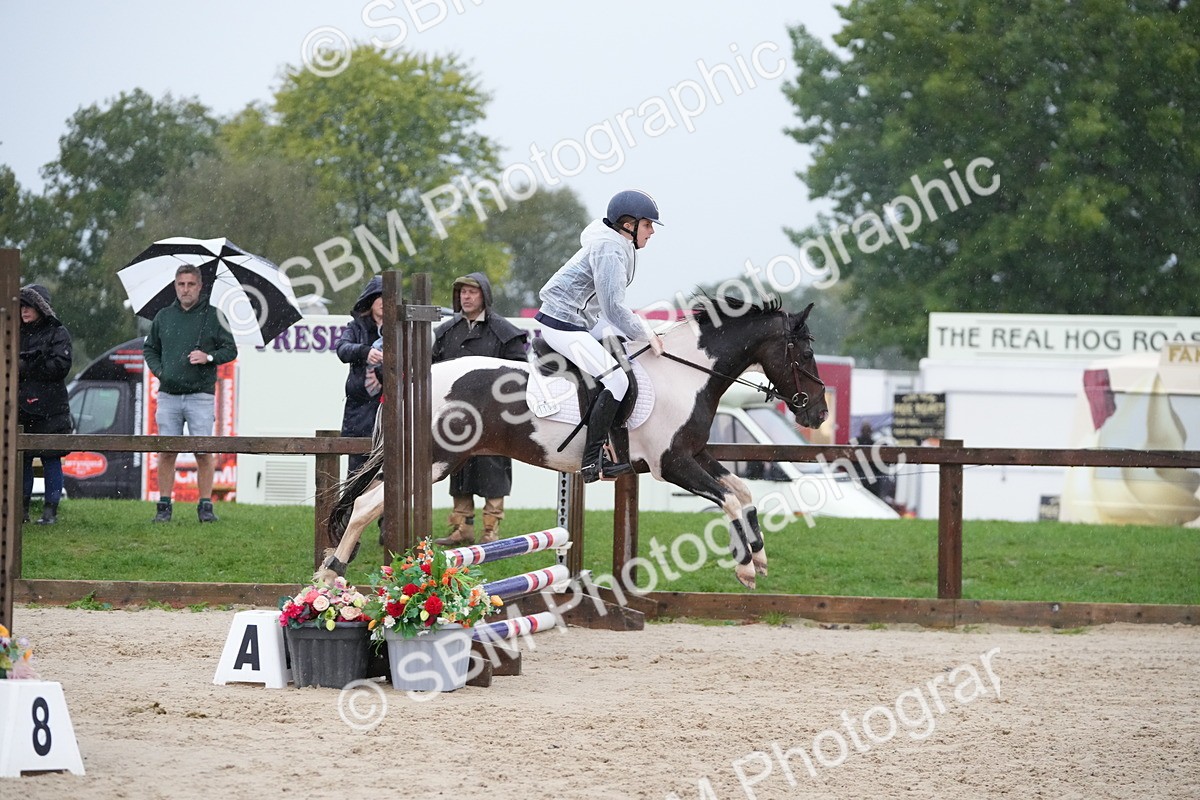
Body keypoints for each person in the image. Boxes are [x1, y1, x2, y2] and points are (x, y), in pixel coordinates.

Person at [535, 189, 665, 483]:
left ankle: (612, 449)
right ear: (629, 225)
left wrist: (640, 333)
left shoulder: (618, 242)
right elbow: (614, 307)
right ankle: (591, 461)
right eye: (648, 225)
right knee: (617, 379)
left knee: (621, 349)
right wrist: (645, 332)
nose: (652, 231)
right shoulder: (609, 248)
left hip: (581, 319)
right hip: (561, 323)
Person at [432, 273, 527, 545]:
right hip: (457, 419)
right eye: (462, 292)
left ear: (484, 295)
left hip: (494, 422)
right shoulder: (447, 332)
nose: (466, 296)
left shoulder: (504, 333)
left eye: (472, 292)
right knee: (456, 468)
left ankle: (490, 531)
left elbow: (520, 375)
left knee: (493, 473)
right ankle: (462, 528)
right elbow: (433, 371)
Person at [143, 264, 237, 523]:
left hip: (201, 395)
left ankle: (205, 506)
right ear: (175, 286)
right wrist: (161, 371)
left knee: (203, 451)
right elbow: (149, 349)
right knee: (167, 451)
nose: (186, 289)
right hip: (168, 395)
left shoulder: (215, 316)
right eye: (181, 284)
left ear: (200, 286)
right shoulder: (163, 316)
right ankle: (164, 506)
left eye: (191, 284)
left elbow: (231, 350)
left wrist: (208, 357)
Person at [18, 284, 73, 525]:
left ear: (41, 307)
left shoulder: (58, 332)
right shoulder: (14, 332)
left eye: (29, 305)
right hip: (21, 405)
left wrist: (30, 365)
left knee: (51, 456)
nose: (24, 310)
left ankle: (51, 510)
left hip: (51, 406)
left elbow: (61, 366)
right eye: (21, 305)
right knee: (23, 457)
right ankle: (22, 510)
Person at [335, 275, 384, 477]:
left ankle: (383, 509)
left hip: (390, 409)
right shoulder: (356, 327)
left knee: (386, 472)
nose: (383, 302)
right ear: (370, 301)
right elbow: (342, 349)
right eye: (379, 296)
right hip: (360, 411)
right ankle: (351, 509)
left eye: (389, 297)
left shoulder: (401, 329)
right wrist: (364, 352)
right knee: (357, 471)